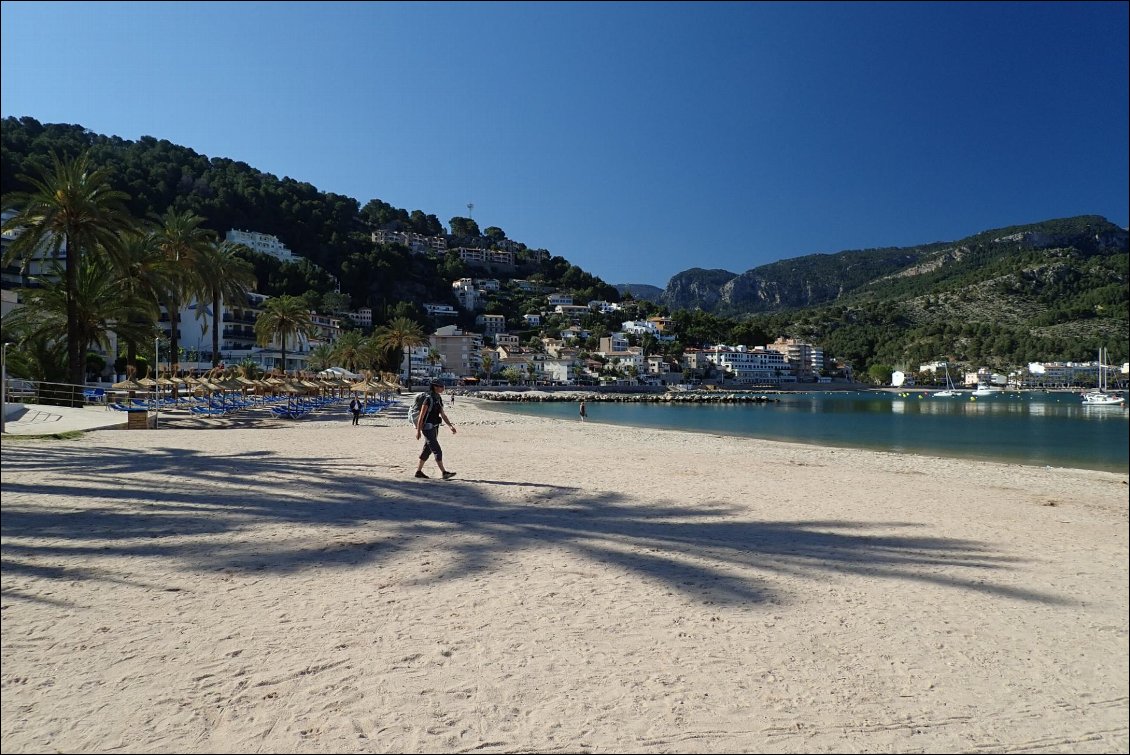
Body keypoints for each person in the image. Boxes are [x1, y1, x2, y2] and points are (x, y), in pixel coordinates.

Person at [415, 380, 457, 480]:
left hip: (435, 427)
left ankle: (418, 472)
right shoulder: (428, 399)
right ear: (435, 387)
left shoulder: (438, 398)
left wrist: (450, 426)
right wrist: (418, 431)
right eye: (441, 386)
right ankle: (444, 472)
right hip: (427, 428)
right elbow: (421, 416)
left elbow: (443, 414)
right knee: (437, 450)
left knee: (427, 450)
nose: (443, 388)